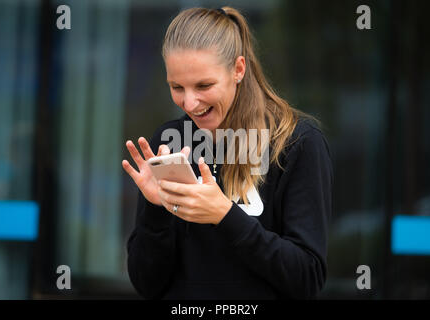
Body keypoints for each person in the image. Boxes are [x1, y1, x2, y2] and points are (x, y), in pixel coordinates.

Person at [122, 6, 333, 300]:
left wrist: (224, 215)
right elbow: (147, 284)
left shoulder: (297, 143)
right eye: (176, 87)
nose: (190, 102)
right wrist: (156, 211)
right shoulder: (171, 141)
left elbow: (306, 277)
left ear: (238, 69)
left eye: (204, 85)